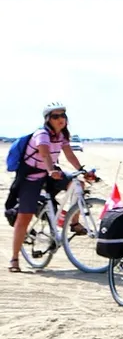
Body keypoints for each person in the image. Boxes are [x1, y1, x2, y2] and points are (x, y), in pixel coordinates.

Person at [8, 102, 93, 273]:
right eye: (56, 116)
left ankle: (74, 222)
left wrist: (82, 171)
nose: (60, 119)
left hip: (51, 173)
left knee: (78, 184)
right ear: (48, 119)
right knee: (24, 217)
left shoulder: (61, 135)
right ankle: (14, 259)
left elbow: (69, 154)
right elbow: (45, 154)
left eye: (63, 115)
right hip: (31, 177)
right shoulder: (42, 134)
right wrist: (50, 170)